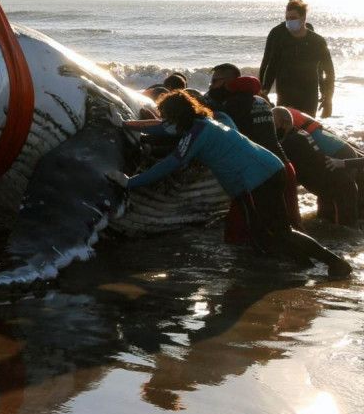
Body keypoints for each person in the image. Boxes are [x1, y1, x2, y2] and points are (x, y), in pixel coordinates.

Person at [115, 91, 350, 277]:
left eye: (167, 115)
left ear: (177, 115)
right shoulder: (201, 122)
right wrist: (127, 124)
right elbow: (161, 127)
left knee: (280, 231)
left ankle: (334, 262)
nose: (166, 120)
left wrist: (130, 183)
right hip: (261, 174)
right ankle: (302, 266)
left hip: (262, 177)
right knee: (259, 231)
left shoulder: (197, 133)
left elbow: (171, 163)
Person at [272, 109, 358, 226]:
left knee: (344, 228)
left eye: (274, 125)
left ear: (285, 123)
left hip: (340, 187)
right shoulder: (300, 133)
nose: (271, 129)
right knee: (328, 222)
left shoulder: (291, 143)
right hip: (337, 183)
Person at [259, 0, 334, 116]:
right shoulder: (280, 39)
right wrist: (264, 91)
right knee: (284, 126)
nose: (289, 22)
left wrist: (328, 98)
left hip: (308, 95)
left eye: (293, 18)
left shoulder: (317, 41)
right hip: (285, 94)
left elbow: (328, 71)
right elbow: (271, 66)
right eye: (287, 18)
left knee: (307, 126)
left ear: (303, 18)